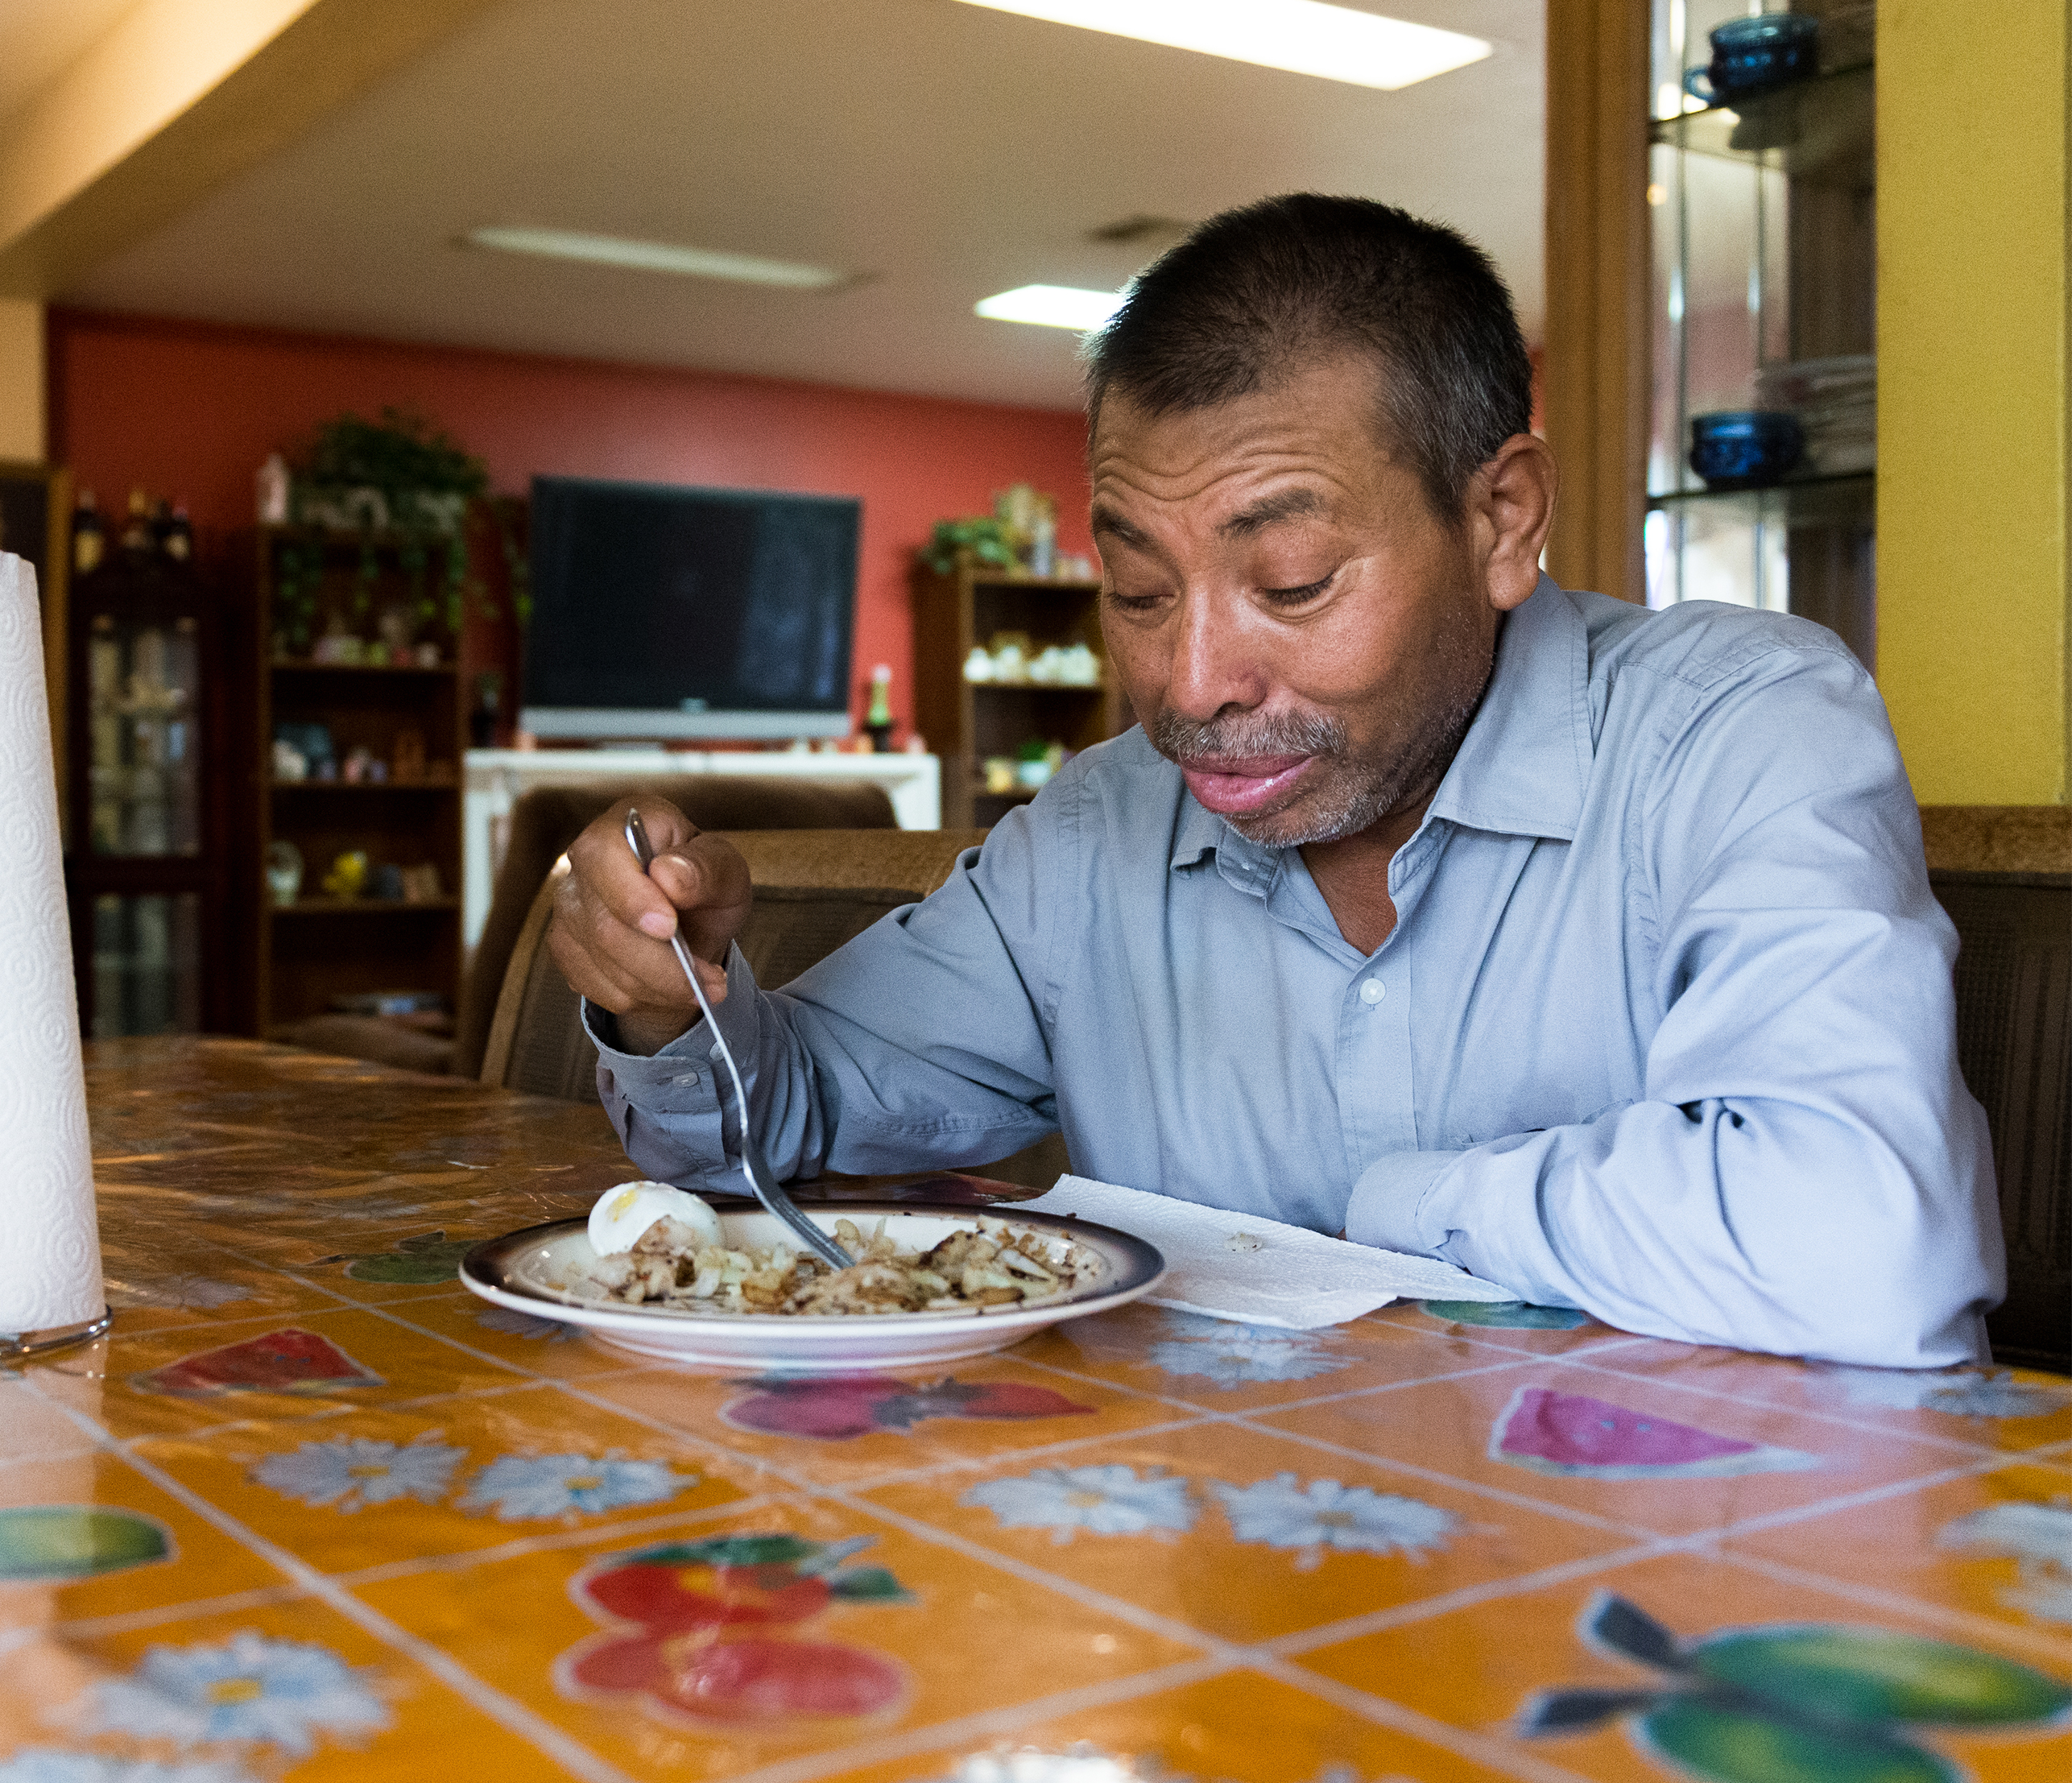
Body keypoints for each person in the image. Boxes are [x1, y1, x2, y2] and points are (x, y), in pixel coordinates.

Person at [548, 193, 2000, 1369]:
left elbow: (1867, 1247)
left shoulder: (1738, 730)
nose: (1191, 688)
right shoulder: (1100, 832)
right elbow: (775, 1134)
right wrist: (672, 1004)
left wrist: (1396, 1207)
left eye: (1291, 584)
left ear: (1503, 518)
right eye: (1134, 587)